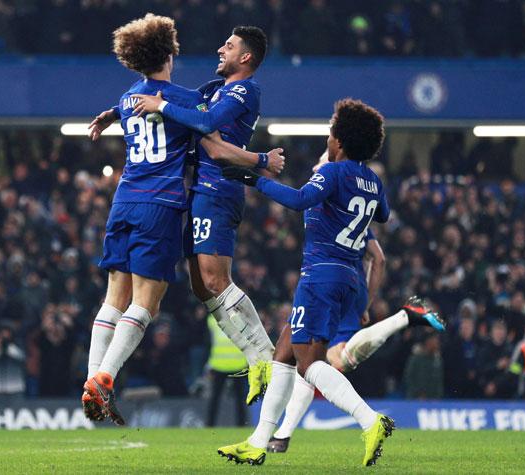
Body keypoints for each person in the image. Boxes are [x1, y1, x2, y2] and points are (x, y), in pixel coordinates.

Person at [82, 14, 283, 425]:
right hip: (162, 203)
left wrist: (113, 115)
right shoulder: (186, 100)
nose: (218, 48)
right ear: (169, 52)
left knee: (113, 299)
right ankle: (102, 379)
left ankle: (92, 380)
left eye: (227, 45)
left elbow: (190, 119)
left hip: (124, 201)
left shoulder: (128, 99)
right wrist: (263, 160)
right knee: (147, 302)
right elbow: (206, 126)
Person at [217, 98, 433, 467]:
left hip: (321, 275)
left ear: (340, 142)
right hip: (349, 278)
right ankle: (259, 441)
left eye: (331, 133)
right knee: (283, 353)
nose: (328, 138)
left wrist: (256, 179)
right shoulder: (374, 180)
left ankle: (370, 420)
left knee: (308, 363)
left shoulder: (333, 173)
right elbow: (383, 213)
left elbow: (301, 200)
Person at [267, 227, 445, 453]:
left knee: (330, 360)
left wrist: (262, 188)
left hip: (326, 284)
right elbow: (379, 259)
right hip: (353, 284)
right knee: (309, 364)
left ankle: (405, 316)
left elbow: (299, 200)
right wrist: (367, 303)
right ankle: (282, 436)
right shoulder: (358, 215)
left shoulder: (327, 209)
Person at [206, 315, 248, 427]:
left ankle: (209, 425)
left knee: (216, 399)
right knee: (239, 400)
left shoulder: (212, 319)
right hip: (234, 364)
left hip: (221, 364)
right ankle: (242, 426)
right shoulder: (241, 318)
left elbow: (208, 343)